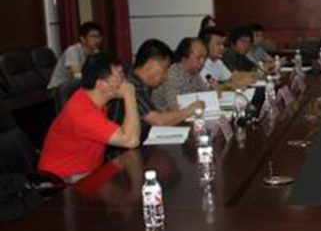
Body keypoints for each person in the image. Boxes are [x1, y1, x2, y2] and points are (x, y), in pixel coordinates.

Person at [39, 53, 140, 181]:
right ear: (101, 85)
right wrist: (129, 95)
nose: (125, 81)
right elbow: (131, 141)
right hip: (65, 177)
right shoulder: (82, 112)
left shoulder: (91, 99)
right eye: (120, 75)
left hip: (90, 168)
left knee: (132, 165)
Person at [109, 39, 204, 142]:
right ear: (150, 64)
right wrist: (190, 110)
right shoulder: (132, 85)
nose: (166, 75)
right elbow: (158, 121)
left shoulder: (143, 84)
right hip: (123, 148)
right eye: (165, 68)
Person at [152, 38, 209, 111]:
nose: (202, 62)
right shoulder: (172, 74)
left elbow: (206, 95)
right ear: (184, 57)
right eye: (199, 58)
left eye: (204, 58)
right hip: (162, 115)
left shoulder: (195, 74)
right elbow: (174, 108)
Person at [48, 22, 103, 89]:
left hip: (77, 86)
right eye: (92, 36)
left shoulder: (97, 53)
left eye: (98, 36)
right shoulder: (72, 51)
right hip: (58, 88)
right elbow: (77, 75)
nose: (96, 40)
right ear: (82, 39)